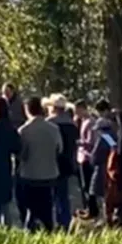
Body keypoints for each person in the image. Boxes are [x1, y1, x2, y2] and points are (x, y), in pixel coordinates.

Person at [17, 97, 62, 231]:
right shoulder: (54, 128)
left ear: (27, 110)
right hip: (50, 173)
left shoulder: (24, 130)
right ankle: (49, 229)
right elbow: (59, 148)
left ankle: (31, 230)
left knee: (31, 208)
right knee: (47, 206)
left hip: (30, 174)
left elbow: (22, 154)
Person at [0, 96, 21, 226]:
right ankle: (7, 227)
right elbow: (17, 147)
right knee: (6, 202)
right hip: (5, 165)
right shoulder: (10, 128)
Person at [48, 95, 78, 230]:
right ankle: (65, 221)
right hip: (67, 162)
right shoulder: (72, 124)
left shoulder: (51, 123)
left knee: (52, 195)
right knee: (64, 194)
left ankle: (54, 220)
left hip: (53, 162)